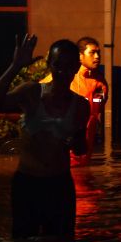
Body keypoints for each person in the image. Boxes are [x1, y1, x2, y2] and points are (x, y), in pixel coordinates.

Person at [0, 35, 90, 239]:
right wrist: (15, 66)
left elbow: (80, 148)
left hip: (60, 185)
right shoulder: (32, 92)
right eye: (58, 65)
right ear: (50, 64)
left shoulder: (81, 105)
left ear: (77, 67)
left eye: (69, 66)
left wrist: (74, 140)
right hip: (28, 184)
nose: (63, 71)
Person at [41, 36, 108, 166]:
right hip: (60, 154)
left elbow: (96, 113)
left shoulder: (101, 83)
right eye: (92, 52)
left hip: (84, 151)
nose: (97, 57)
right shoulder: (64, 78)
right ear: (80, 56)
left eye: (98, 52)